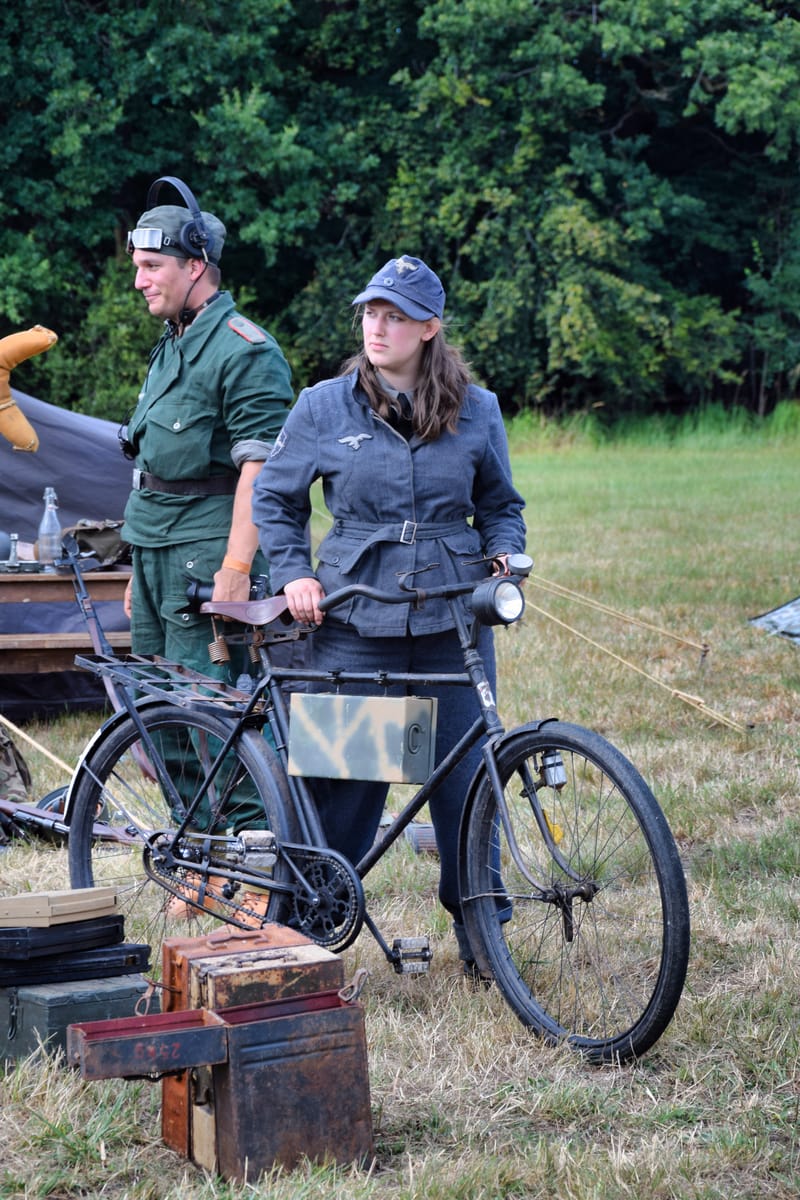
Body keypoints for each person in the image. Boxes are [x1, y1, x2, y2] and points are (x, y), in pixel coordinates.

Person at [252, 254, 527, 972]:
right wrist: (294, 575)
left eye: (395, 315)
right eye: (371, 312)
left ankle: (481, 936)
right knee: (343, 787)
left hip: (451, 621)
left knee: (469, 784)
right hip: (353, 617)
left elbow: (501, 504)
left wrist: (504, 551)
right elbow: (276, 500)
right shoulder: (323, 405)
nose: (378, 326)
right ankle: (311, 931)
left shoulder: (478, 409)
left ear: (429, 328)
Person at [121, 176, 293, 682]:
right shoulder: (169, 343)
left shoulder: (246, 350)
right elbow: (155, 464)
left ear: (195, 266)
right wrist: (140, 568)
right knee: (157, 707)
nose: (140, 281)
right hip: (155, 548)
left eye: (152, 267)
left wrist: (237, 570)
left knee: (210, 712)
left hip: (206, 556)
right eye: (138, 268)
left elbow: (261, 472)